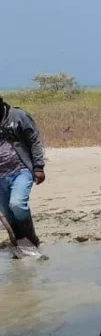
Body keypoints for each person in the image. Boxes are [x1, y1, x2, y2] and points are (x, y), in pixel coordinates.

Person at [0, 97, 46, 252]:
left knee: (17, 204)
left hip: (20, 170)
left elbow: (34, 141)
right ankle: (20, 243)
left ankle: (31, 240)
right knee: (8, 214)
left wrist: (38, 167)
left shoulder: (18, 116)